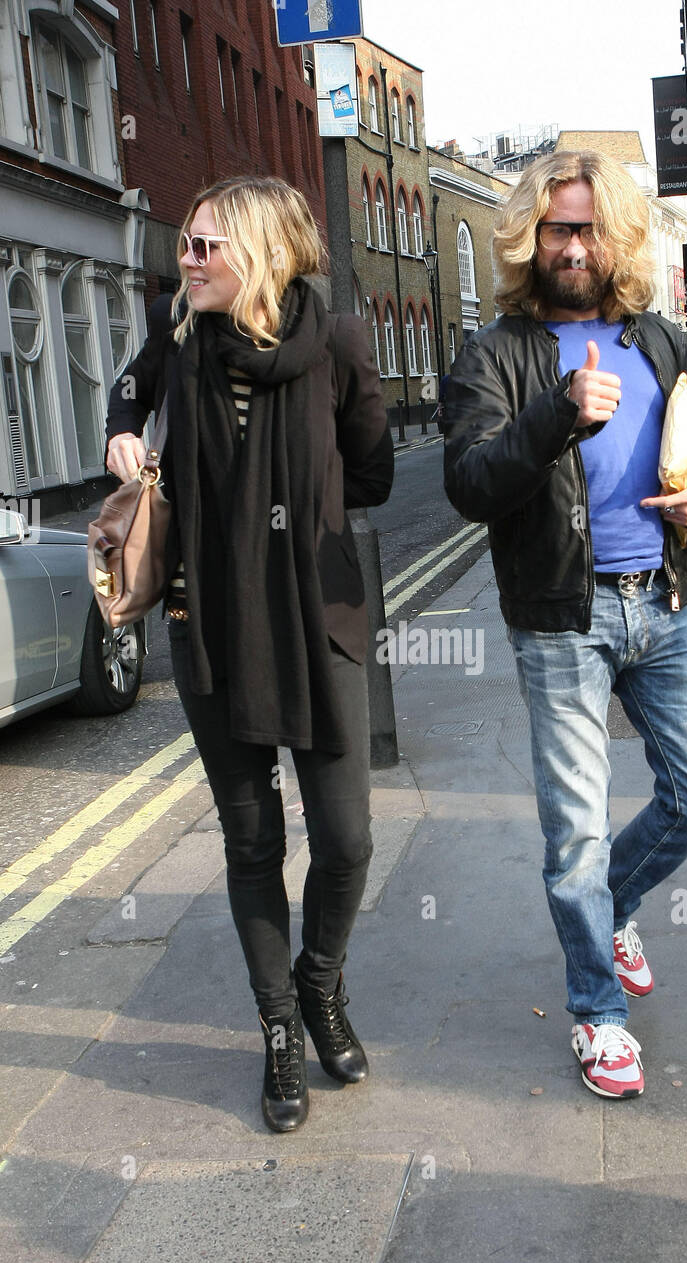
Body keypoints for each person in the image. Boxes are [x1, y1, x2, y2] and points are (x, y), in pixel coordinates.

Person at [443, 150, 687, 1100]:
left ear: (617, 238)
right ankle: (597, 1013)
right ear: (530, 237)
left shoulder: (658, 339)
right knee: (572, 834)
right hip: (559, 618)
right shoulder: (496, 353)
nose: (572, 246)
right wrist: (553, 416)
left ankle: (613, 907)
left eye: (588, 228)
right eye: (556, 228)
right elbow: (470, 483)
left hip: (664, 600)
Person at [105, 175, 394, 1132]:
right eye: (185, 245)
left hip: (318, 622)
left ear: (262, 251)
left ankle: (321, 982)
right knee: (251, 840)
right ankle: (278, 1031)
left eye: (204, 246)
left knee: (347, 839)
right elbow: (129, 386)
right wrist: (120, 431)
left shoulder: (338, 344)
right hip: (207, 630)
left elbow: (373, 473)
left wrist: (289, 527)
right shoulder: (176, 330)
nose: (186, 261)